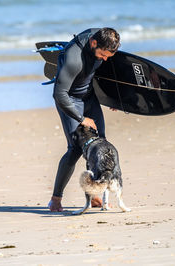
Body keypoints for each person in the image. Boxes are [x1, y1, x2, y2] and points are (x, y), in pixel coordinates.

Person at [49, 27, 120, 212]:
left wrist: (112, 98)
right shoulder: (73, 59)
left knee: (99, 145)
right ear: (93, 43)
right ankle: (55, 199)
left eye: (107, 56)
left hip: (89, 96)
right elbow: (59, 94)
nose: (104, 59)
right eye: (102, 55)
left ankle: (95, 195)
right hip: (70, 101)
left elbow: (102, 74)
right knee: (75, 149)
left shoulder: (102, 38)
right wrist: (81, 119)